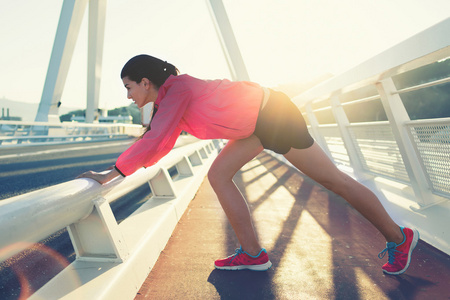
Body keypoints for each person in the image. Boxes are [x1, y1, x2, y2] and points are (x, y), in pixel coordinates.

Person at [78, 54, 419, 275]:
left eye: (128, 87)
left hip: (272, 115)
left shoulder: (176, 89)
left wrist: (112, 173)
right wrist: (117, 171)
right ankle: (253, 254)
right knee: (219, 174)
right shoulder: (169, 100)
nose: (128, 96)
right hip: (255, 125)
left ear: (145, 82)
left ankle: (398, 236)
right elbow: (160, 140)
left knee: (334, 182)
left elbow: (156, 137)